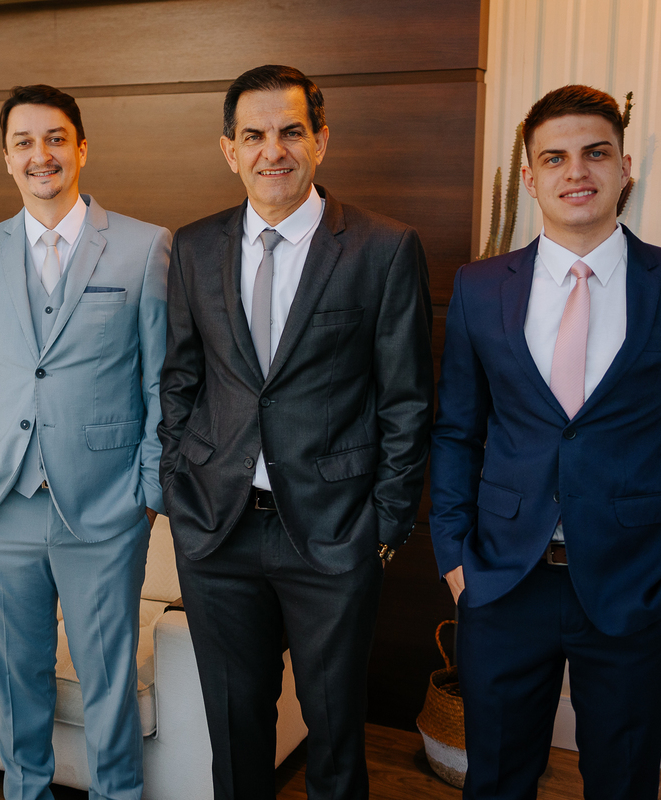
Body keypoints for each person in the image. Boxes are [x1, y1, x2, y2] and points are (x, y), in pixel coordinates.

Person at [430, 84, 661, 800]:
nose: (576, 171)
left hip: (639, 588)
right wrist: (454, 558)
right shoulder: (480, 288)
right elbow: (456, 432)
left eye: (595, 153)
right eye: (555, 157)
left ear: (623, 167)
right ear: (530, 177)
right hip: (502, 583)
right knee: (496, 782)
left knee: (623, 784)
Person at [158, 64, 434, 800]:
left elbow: (407, 401)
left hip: (335, 534)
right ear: (229, 150)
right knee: (234, 733)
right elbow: (180, 380)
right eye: (253, 135)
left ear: (321, 140)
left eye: (290, 131)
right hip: (216, 529)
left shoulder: (382, 247)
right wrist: (178, 489)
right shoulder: (195, 246)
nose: (272, 150)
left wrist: (384, 529)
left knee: (336, 739)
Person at [0, 84, 170, 800]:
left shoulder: (144, 246)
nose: (41, 155)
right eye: (24, 142)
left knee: (108, 682)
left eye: (55, 138)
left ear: (81, 149)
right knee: (17, 680)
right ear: (6, 158)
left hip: (105, 506)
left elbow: (162, 381)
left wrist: (148, 491)